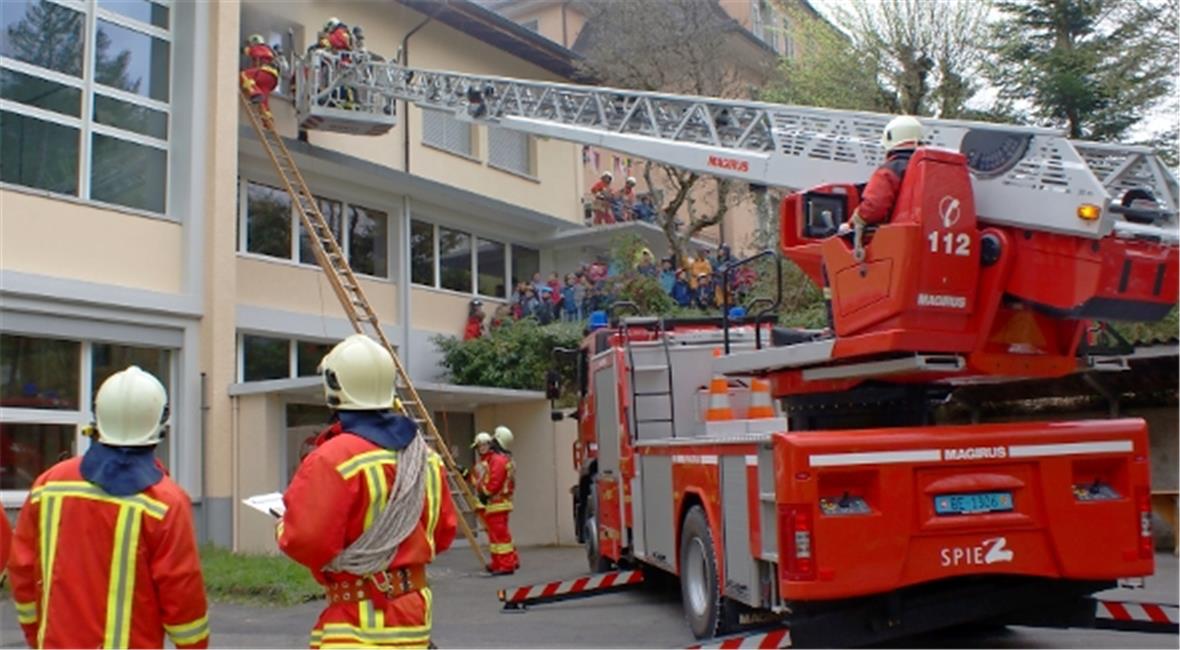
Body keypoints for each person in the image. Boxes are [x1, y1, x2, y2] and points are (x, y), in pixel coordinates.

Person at [8, 366, 210, 649]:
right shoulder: (165, 502)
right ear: (160, 423)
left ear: (97, 418)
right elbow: (182, 595)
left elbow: (22, 571)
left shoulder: (48, 485)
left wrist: (35, 635)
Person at [278, 334, 457, 649]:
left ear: (334, 385)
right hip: (414, 618)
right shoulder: (426, 457)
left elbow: (305, 540)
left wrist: (283, 523)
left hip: (357, 622)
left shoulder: (332, 459)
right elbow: (441, 535)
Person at [838, 115, 923, 257]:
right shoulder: (930, 169)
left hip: (895, 245)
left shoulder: (890, 169)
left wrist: (851, 224)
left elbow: (874, 206)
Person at [474, 426, 518, 575]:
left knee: (500, 537)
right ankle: (501, 563)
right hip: (497, 504)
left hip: (497, 503)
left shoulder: (498, 460)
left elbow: (495, 482)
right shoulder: (500, 459)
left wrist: (485, 494)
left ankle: (505, 565)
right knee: (497, 536)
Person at [240, 34, 284, 123]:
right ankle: (268, 121)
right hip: (271, 80)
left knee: (244, 74)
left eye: (250, 43)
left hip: (265, 73)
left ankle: (255, 93)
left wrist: (241, 49)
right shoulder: (270, 51)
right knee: (264, 101)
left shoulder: (260, 47)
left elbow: (251, 51)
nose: (250, 45)